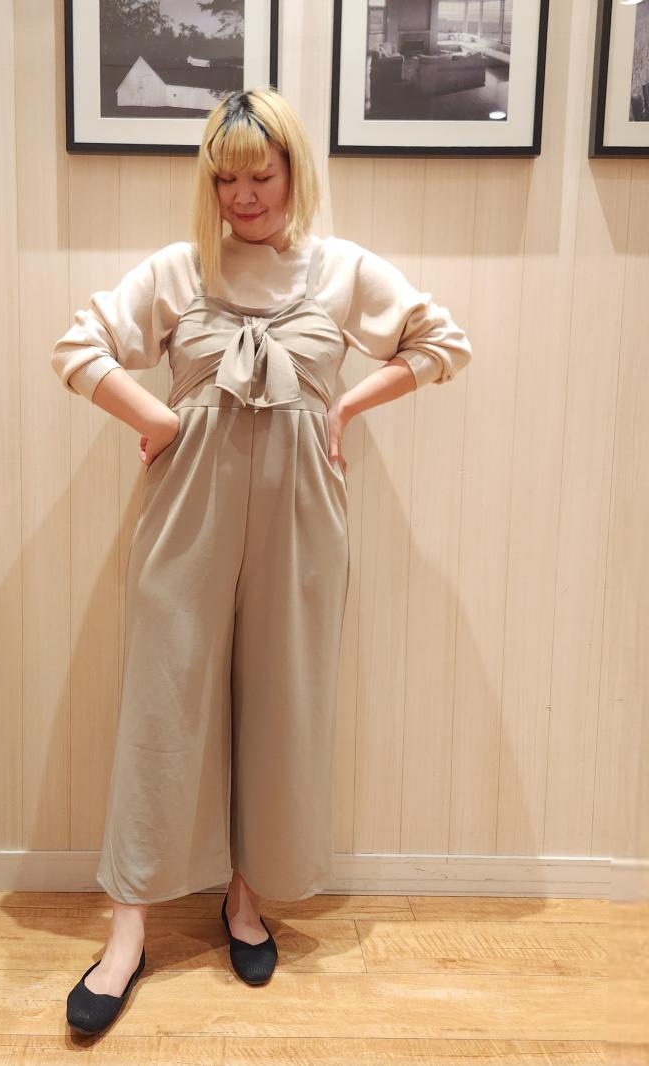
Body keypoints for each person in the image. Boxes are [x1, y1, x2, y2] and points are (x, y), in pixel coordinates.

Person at [52, 87, 472, 1035]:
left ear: (293, 173)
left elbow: (443, 343)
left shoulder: (342, 270)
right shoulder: (179, 270)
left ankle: (245, 900)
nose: (243, 196)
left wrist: (346, 405)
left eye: (261, 176)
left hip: (303, 519)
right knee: (162, 705)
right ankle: (127, 931)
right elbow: (79, 348)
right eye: (226, 178)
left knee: (282, 703)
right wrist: (160, 418)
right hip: (185, 517)